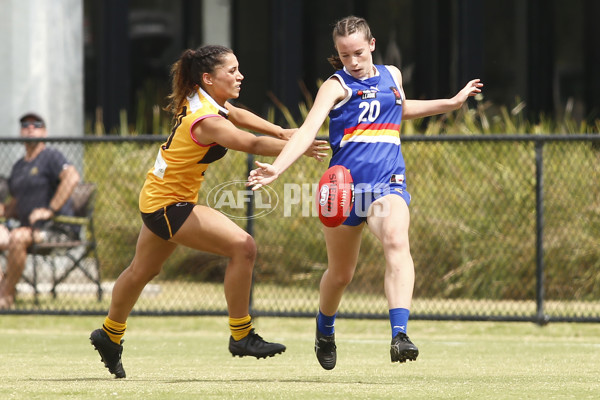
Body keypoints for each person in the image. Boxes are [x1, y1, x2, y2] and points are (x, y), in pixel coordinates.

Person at [247, 16, 483, 370]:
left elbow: (400, 110)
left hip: (387, 183)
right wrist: (276, 168)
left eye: (358, 52)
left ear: (372, 45)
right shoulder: (336, 85)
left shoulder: (392, 75)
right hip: (343, 188)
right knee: (341, 274)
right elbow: (308, 129)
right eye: (344, 55)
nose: (353, 61)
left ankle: (400, 334)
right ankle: (324, 328)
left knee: (395, 242)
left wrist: (451, 103)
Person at [89, 44, 329, 379]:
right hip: (169, 205)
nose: (240, 75)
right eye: (231, 71)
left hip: (159, 198)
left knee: (141, 271)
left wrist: (282, 131)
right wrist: (298, 146)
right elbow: (250, 143)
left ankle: (109, 335)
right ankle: (241, 335)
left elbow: (238, 114)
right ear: (207, 77)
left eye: (238, 69)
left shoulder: (205, 101)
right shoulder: (205, 119)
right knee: (243, 247)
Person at [0, 112, 81, 309]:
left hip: (56, 229)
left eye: (36, 124)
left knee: (18, 238)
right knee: (11, 235)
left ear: (44, 131)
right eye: (25, 124)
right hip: (26, 228)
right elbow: (16, 203)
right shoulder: (19, 166)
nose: (30, 127)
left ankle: (6, 295)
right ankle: (4, 285)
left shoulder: (51, 156)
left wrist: (50, 210)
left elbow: (72, 178)